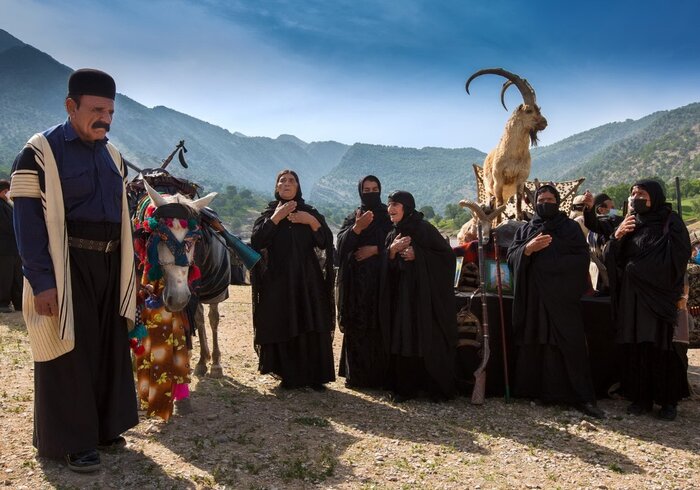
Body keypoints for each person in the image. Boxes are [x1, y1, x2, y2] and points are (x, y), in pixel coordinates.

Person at [9, 69, 138, 472]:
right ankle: (73, 442)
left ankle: (103, 427)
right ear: (71, 105)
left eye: (111, 111)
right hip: (67, 264)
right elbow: (27, 224)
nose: (106, 118)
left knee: (105, 345)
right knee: (69, 352)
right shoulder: (39, 151)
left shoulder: (113, 156)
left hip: (110, 262)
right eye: (97, 109)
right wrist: (42, 281)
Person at [507, 184, 604, 418]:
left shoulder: (569, 228)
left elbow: (581, 258)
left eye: (551, 199)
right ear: (535, 202)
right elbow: (511, 257)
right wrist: (527, 250)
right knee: (536, 338)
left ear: (558, 202)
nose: (546, 203)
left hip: (561, 299)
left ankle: (577, 396)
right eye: (542, 199)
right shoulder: (526, 229)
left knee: (567, 345)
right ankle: (533, 391)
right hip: (535, 299)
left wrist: (548, 267)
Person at [605, 180, 690, 420]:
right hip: (633, 297)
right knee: (637, 345)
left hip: (659, 296)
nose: (635, 197)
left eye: (641, 193)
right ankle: (640, 397)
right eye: (633, 193)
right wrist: (618, 235)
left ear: (654, 196)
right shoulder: (631, 222)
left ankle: (668, 401)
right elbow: (612, 257)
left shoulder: (670, 221)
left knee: (663, 347)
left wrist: (649, 272)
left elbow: (680, 255)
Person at [250, 169, 335, 390]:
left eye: (292, 181)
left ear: (298, 187)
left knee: (311, 323)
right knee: (283, 323)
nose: (287, 184)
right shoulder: (268, 214)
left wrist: (311, 222)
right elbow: (257, 242)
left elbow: (325, 243)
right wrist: (276, 218)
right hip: (278, 281)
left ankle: (315, 376)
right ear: (277, 187)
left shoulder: (310, 212)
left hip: (308, 281)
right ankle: (287, 374)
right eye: (282, 181)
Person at [380, 190, 457, 402]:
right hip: (401, 300)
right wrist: (392, 251)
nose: (391, 209)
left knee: (426, 338)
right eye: (389, 204)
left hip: (424, 299)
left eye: (396, 204)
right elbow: (384, 268)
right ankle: (404, 388)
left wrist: (419, 255)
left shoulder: (424, 229)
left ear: (407, 206)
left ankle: (432, 387)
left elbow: (447, 259)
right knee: (403, 339)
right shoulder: (392, 233)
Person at [336, 175, 393, 388]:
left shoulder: (389, 216)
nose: (371, 193)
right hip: (357, 286)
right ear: (360, 192)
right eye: (366, 190)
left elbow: (397, 240)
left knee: (380, 325)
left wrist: (376, 249)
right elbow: (340, 249)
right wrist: (357, 228)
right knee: (357, 326)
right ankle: (357, 376)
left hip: (382, 283)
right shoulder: (354, 217)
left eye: (375, 189)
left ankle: (381, 378)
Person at [0, 179, 23, 313]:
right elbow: (7, 225)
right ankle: (2, 302)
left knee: (16, 275)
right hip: (4, 248)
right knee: (5, 276)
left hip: (13, 247)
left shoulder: (7, 204)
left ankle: (18, 302)